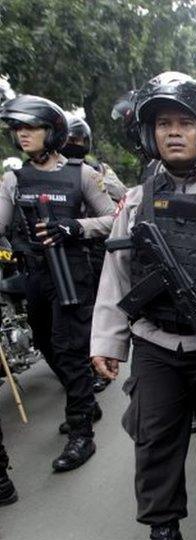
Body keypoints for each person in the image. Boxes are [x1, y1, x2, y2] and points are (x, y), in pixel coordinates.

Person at [90, 72, 196, 540]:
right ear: (149, 134)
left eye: (185, 123)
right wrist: (107, 341)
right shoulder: (136, 200)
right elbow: (116, 273)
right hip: (155, 343)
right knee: (155, 440)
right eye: (163, 123)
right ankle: (163, 528)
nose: (172, 132)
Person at [0, 94, 115, 473]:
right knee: (47, 344)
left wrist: (74, 227)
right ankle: (85, 399)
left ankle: (82, 432)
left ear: (52, 132)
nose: (22, 135)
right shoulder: (13, 180)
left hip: (73, 273)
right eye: (18, 129)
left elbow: (114, 219)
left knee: (69, 348)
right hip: (35, 274)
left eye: (30, 127)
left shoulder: (81, 174)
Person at [62, 113, 127, 395]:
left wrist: (98, 178)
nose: (72, 143)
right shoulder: (47, 173)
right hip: (58, 252)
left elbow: (121, 195)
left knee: (91, 312)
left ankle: (94, 368)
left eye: (77, 139)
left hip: (93, 247)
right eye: (68, 139)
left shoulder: (96, 169)